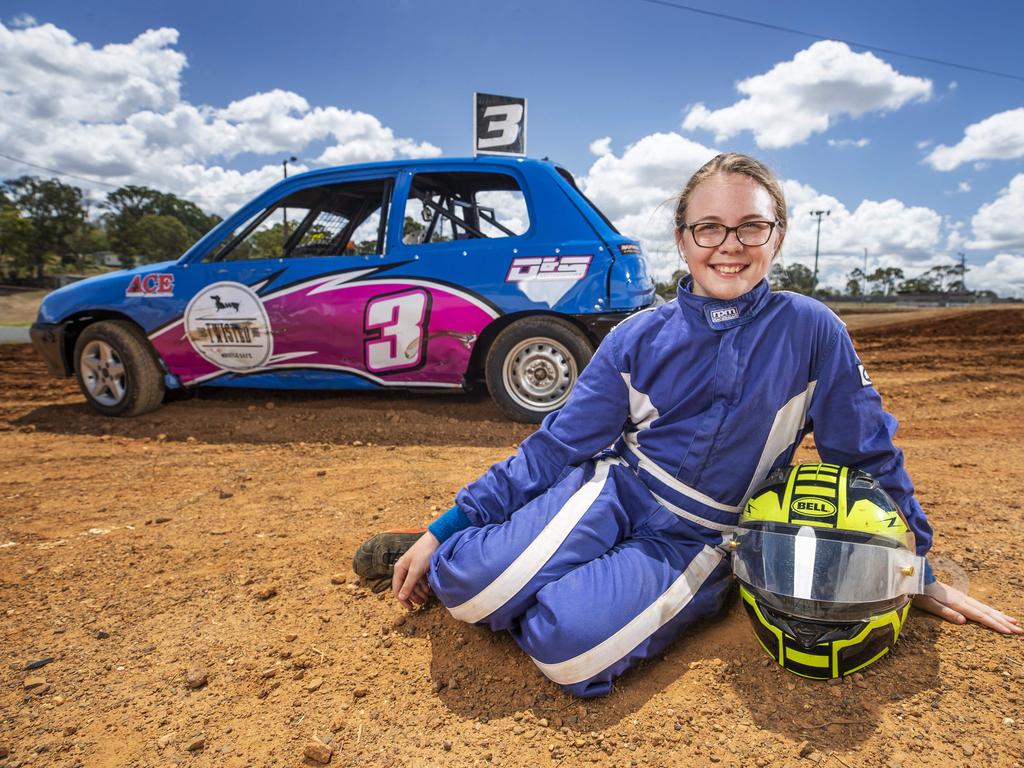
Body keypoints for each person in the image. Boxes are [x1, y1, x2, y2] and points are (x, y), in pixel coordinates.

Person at [363, 153, 1021, 698]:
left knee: (568, 653)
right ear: (683, 240)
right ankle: (455, 549)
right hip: (616, 489)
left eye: (750, 228)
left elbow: (866, 455)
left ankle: (534, 570)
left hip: (705, 537)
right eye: (709, 228)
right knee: (475, 591)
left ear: (778, 237)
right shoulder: (636, 337)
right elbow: (557, 445)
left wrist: (915, 566)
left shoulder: (811, 330)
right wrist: (446, 523)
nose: (728, 246)